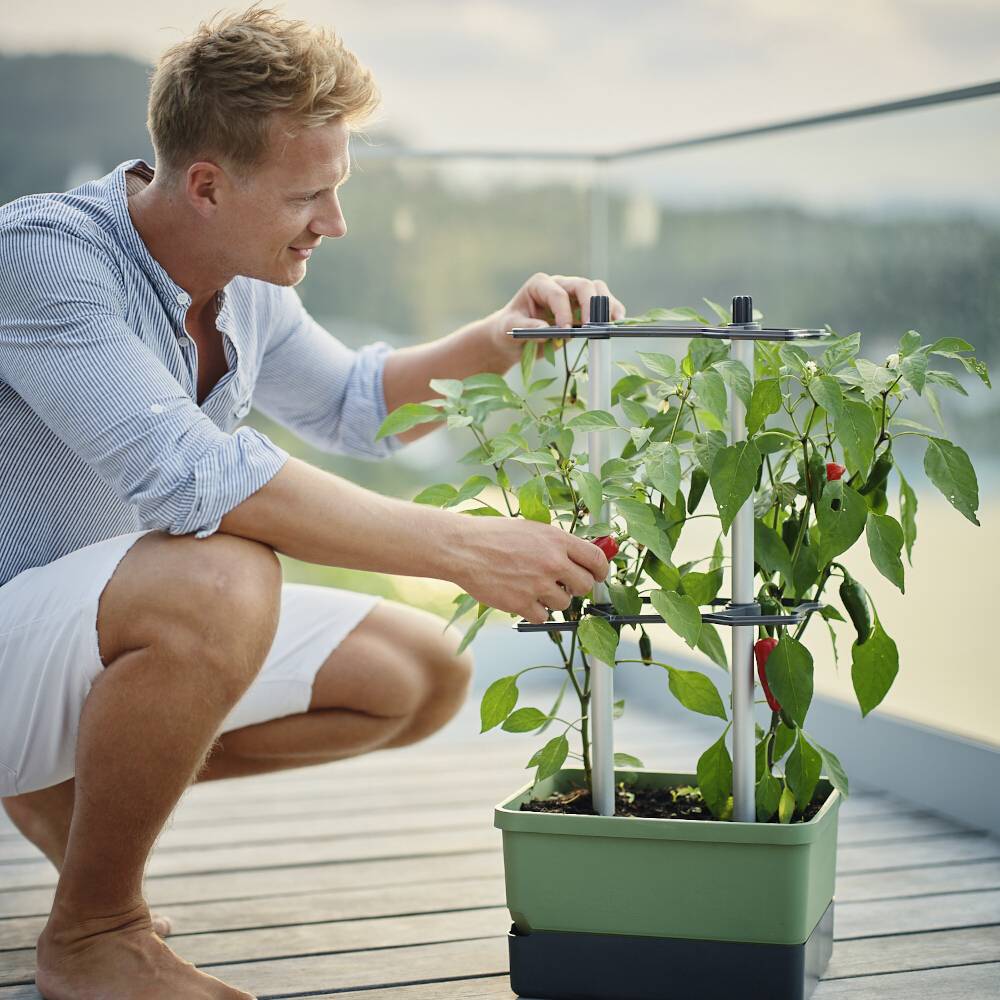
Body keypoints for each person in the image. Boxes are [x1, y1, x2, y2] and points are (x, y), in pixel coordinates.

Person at [0, 7, 625, 999]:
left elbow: (352, 405)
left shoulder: (239, 275)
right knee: (219, 573)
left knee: (412, 672)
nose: (333, 224)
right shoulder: (41, 257)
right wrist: (464, 548)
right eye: (311, 196)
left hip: (73, 641)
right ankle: (93, 932)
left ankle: (60, 794)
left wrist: (495, 339)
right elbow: (187, 476)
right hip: (11, 632)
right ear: (206, 185)